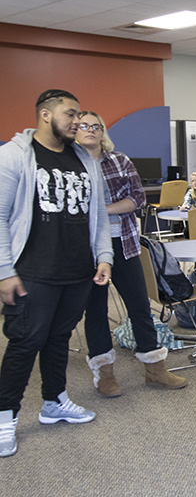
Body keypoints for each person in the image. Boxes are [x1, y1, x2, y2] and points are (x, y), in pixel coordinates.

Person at [0, 89, 113, 458]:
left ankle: (54, 401)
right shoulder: (15, 155)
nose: (77, 120)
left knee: (59, 337)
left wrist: (104, 255)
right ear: (45, 115)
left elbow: (97, 215)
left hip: (77, 269)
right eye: (69, 113)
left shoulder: (84, 158)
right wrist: (4, 270)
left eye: (79, 114)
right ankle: (5, 418)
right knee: (24, 342)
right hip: (32, 269)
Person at [75, 111, 187, 397]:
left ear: (103, 132)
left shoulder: (119, 160)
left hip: (123, 244)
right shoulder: (70, 165)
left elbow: (136, 199)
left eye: (96, 126)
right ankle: (105, 375)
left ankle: (155, 369)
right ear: (74, 131)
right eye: (84, 126)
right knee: (96, 311)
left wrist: (101, 211)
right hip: (87, 250)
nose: (91, 130)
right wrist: (111, 207)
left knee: (139, 305)